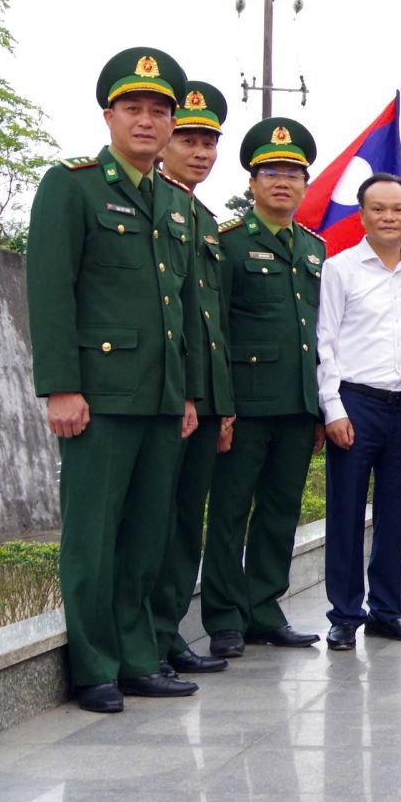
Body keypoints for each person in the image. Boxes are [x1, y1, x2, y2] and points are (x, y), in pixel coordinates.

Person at [26, 47, 203, 712]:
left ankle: (136, 657)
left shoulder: (176, 203)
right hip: (98, 395)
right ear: (109, 115)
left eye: (159, 110)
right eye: (133, 107)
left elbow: (183, 308)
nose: (147, 120)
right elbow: (51, 291)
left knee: (147, 538)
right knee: (94, 536)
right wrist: (60, 386)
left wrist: (188, 393)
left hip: (161, 397)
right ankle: (94, 666)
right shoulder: (71, 185)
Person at [201, 118, 327, 657]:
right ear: (252, 182)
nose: (282, 182)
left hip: (297, 405)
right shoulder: (227, 243)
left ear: (305, 185)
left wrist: (319, 408)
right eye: (271, 172)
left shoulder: (315, 249)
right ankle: (224, 616)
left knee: (280, 511)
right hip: (245, 405)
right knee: (230, 512)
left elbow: (318, 333)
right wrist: (222, 406)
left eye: (293, 174)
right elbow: (215, 329)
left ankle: (264, 609)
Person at [317, 173, 401, 651]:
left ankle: (387, 610)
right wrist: (333, 408)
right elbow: (325, 342)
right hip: (355, 404)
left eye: (398, 209)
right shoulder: (340, 269)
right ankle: (345, 614)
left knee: (395, 514)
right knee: (345, 513)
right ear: (362, 215)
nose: (389, 217)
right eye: (378, 209)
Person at [148, 80, 235, 679]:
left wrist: (220, 404)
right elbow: (166, 318)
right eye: (188, 140)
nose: (201, 152)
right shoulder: (152, 203)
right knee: (153, 521)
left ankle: (169, 630)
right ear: (164, 143)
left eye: (209, 143)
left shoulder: (203, 218)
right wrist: (181, 393)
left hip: (204, 398)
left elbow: (211, 322)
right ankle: (146, 638)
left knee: (185, 522)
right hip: (167, 395)